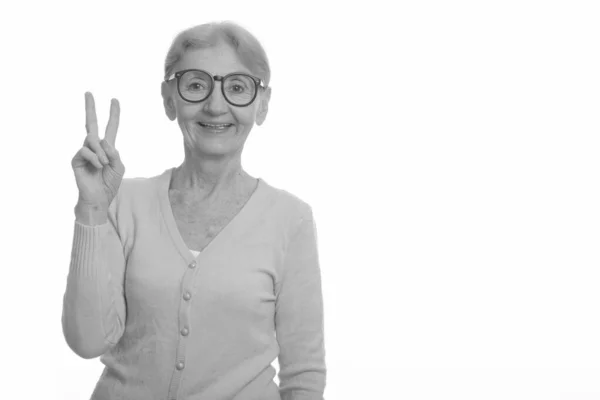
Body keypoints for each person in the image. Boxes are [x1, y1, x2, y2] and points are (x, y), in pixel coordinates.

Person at [62, 21, 326, 400]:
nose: (216, 106)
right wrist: (91, 210)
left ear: (262, 105)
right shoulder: (122, 202)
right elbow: (86, 342)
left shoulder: (291, 219)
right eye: (196, 84)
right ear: (170, 99)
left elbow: (304, 378)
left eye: (237, 87)